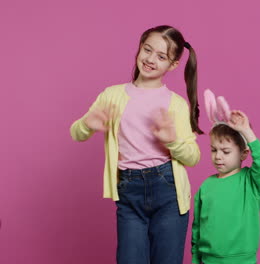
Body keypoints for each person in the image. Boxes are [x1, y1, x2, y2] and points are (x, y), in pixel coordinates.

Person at [70, 25, 202, 264]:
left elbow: (193, 156)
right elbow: (76, 133)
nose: (150, 59)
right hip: (129, 191)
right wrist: (87, 124)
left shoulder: (176, 104)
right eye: (147, 49)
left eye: (161, 56)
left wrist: (172, 141)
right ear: (139, 48)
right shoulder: (112, 95)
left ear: (173, 65)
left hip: (168, 192)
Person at [191, 110, 260, 264]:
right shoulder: (206, 186)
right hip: (208, 260)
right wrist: (195, 259)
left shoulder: (251, 181)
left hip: (242, 261)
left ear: (244, 153)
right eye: (214, 150)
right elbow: (197, 227)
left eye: (226, 151)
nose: (218, 156)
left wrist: (246, 131)